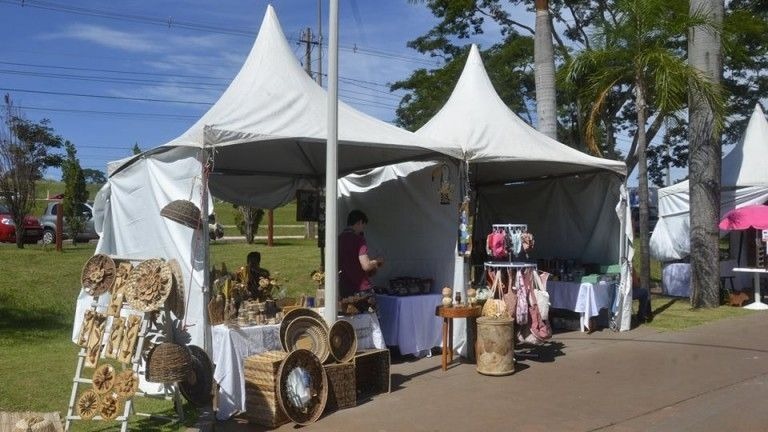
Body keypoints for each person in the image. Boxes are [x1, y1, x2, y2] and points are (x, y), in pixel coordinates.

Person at [338, 210, 384, 298]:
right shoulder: (359, 239)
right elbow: (366, 266)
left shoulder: (338, 239)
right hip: (361, 288)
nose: (363, 228)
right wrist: (377, 262)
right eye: (363, 225)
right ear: (359, 222)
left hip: (344, 287)